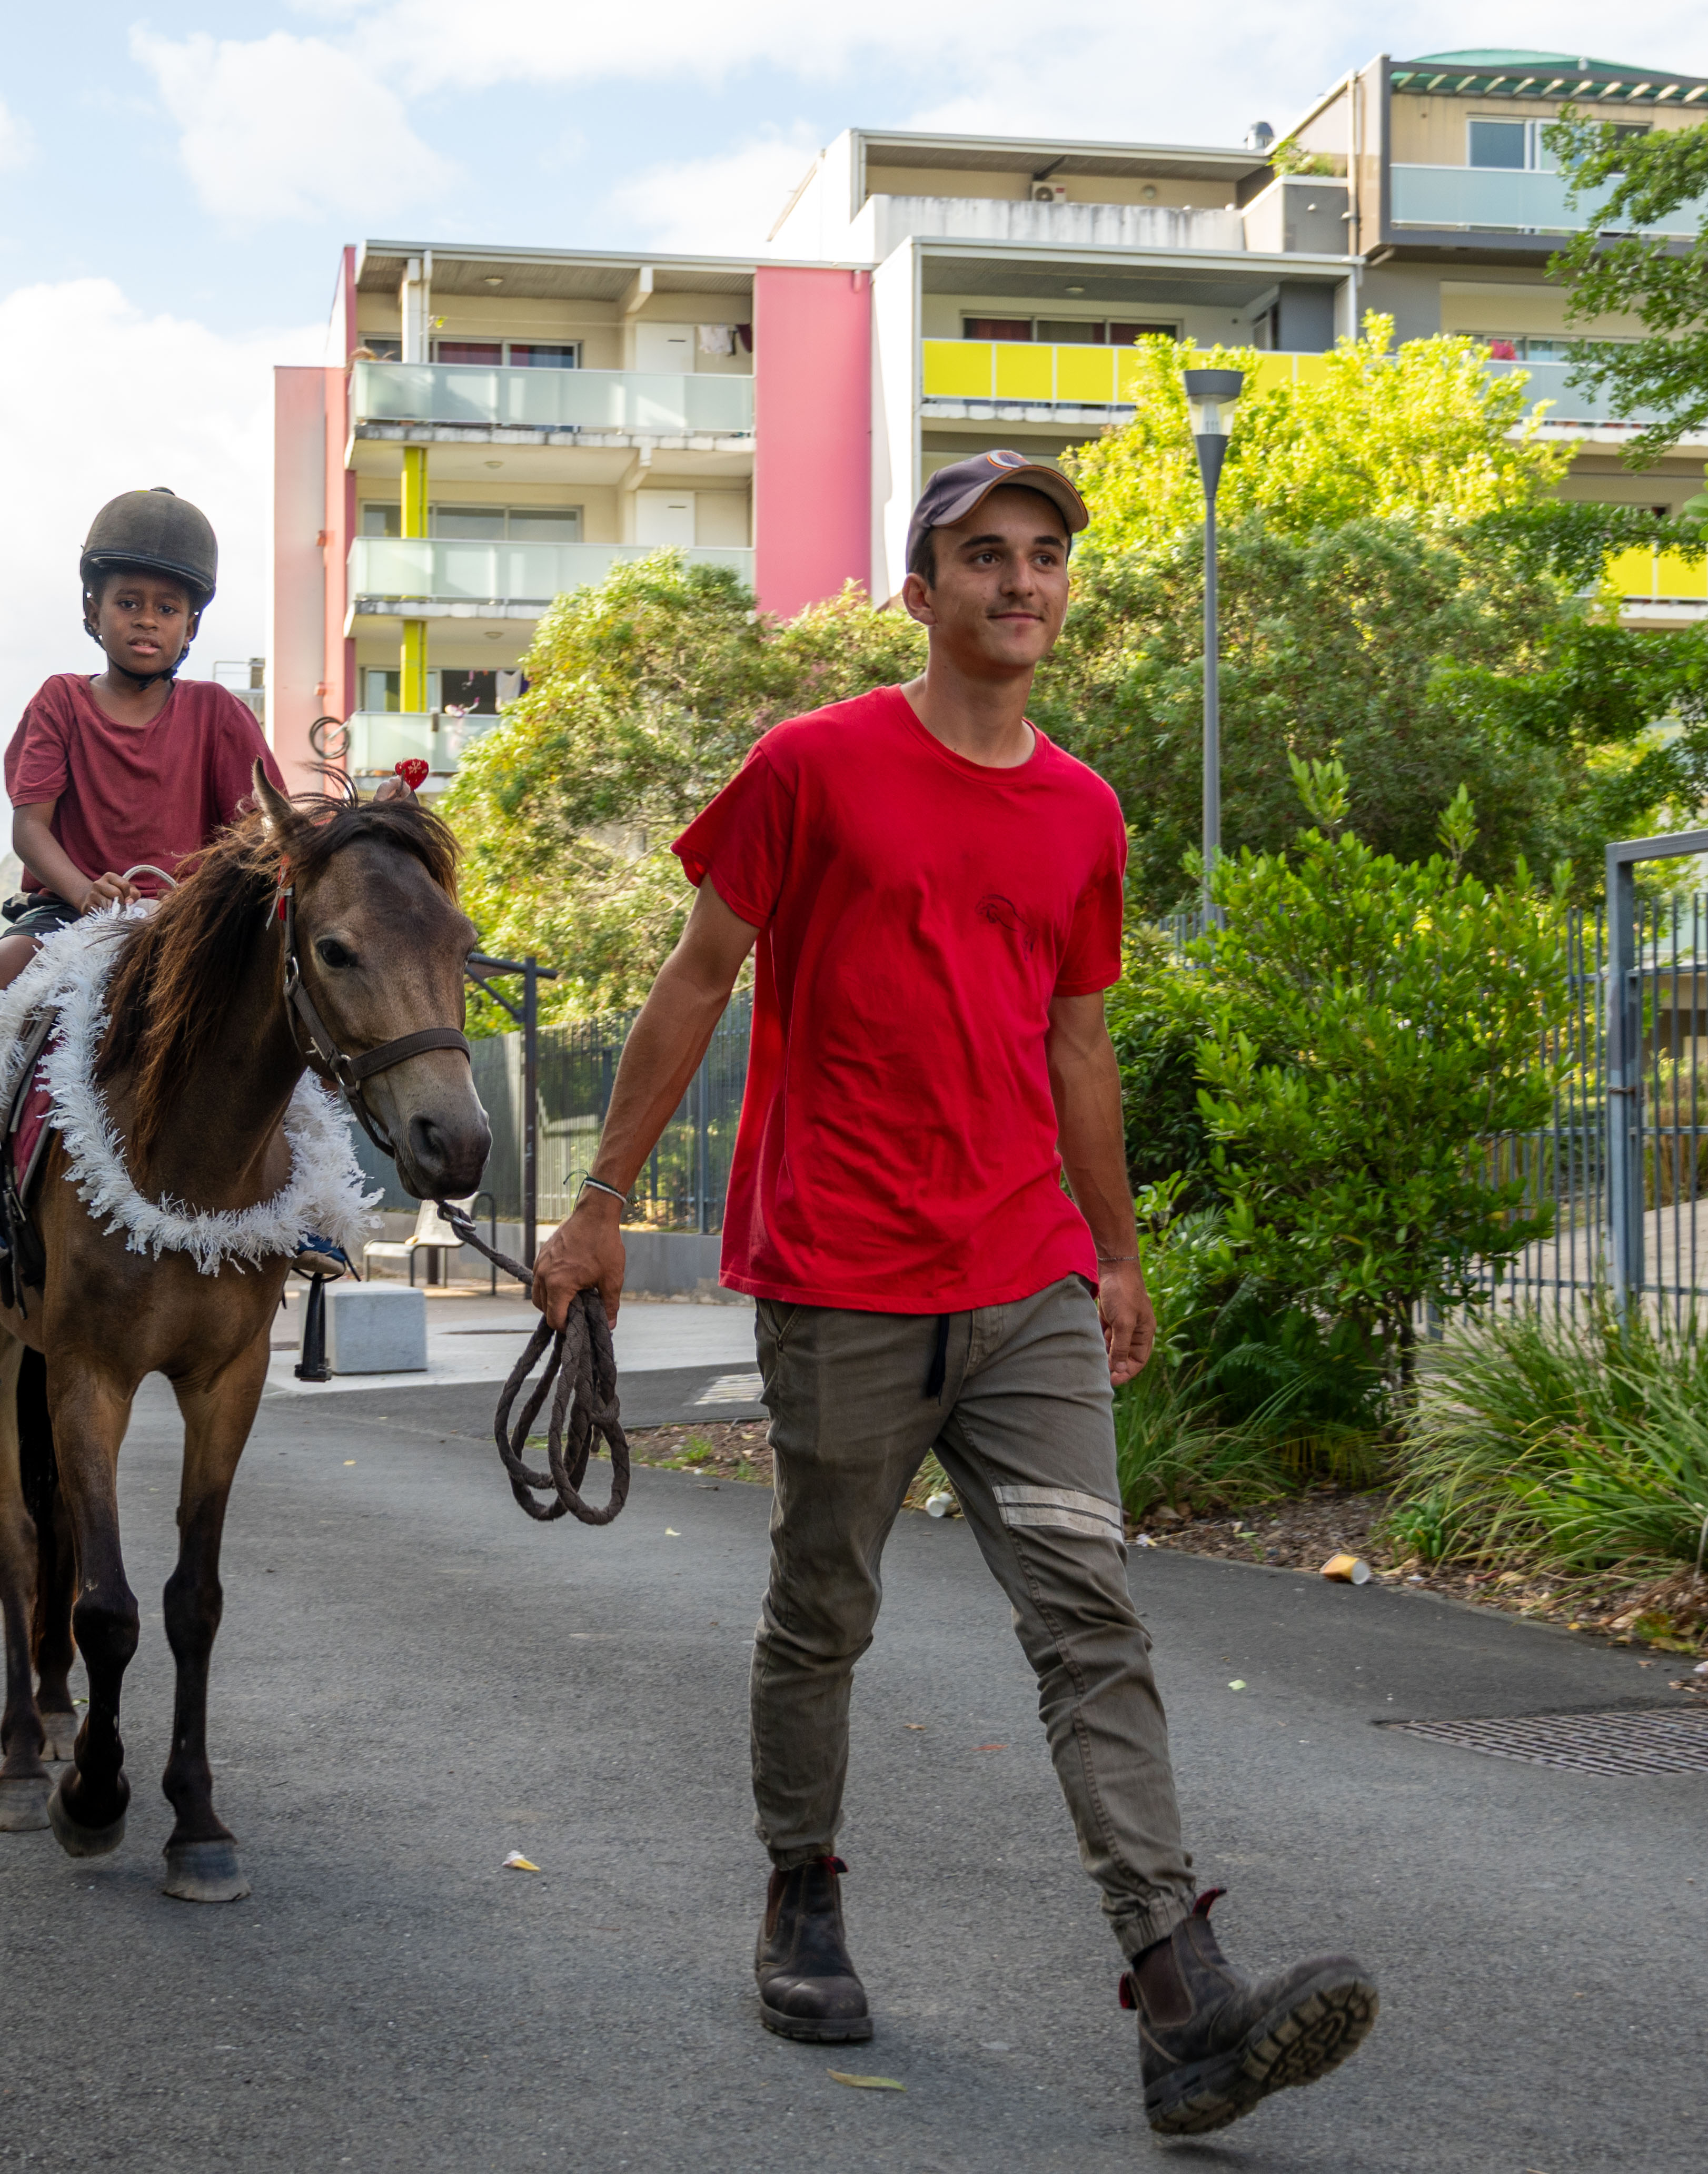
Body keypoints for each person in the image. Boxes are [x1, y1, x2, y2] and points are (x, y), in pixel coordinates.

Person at [529, 451, 1378, 2137]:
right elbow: (699, 976)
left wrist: (1115, 1247)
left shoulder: (1085, 810)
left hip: (1023, 1281)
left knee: (1089, 1616)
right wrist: (603, 1199)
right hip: (842, 1271)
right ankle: (804, 1895)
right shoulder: (813, 766)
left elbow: (1078, 1042)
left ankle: (1178, 1991)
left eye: (1046, 557)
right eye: (984, 556)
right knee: (823, 1607)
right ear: (920, 591)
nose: (1021, 582)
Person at [0, 488, 290, 1278]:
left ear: (191, 626)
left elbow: (258, 833)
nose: (147, 619)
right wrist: (86, 890)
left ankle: (312, 1197)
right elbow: (30, 828)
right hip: (71, 913)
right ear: (94, 612)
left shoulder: (220, 713)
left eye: (166, 607)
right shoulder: (59, 702)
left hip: (192, 929)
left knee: (300, 997)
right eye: (128, 602)